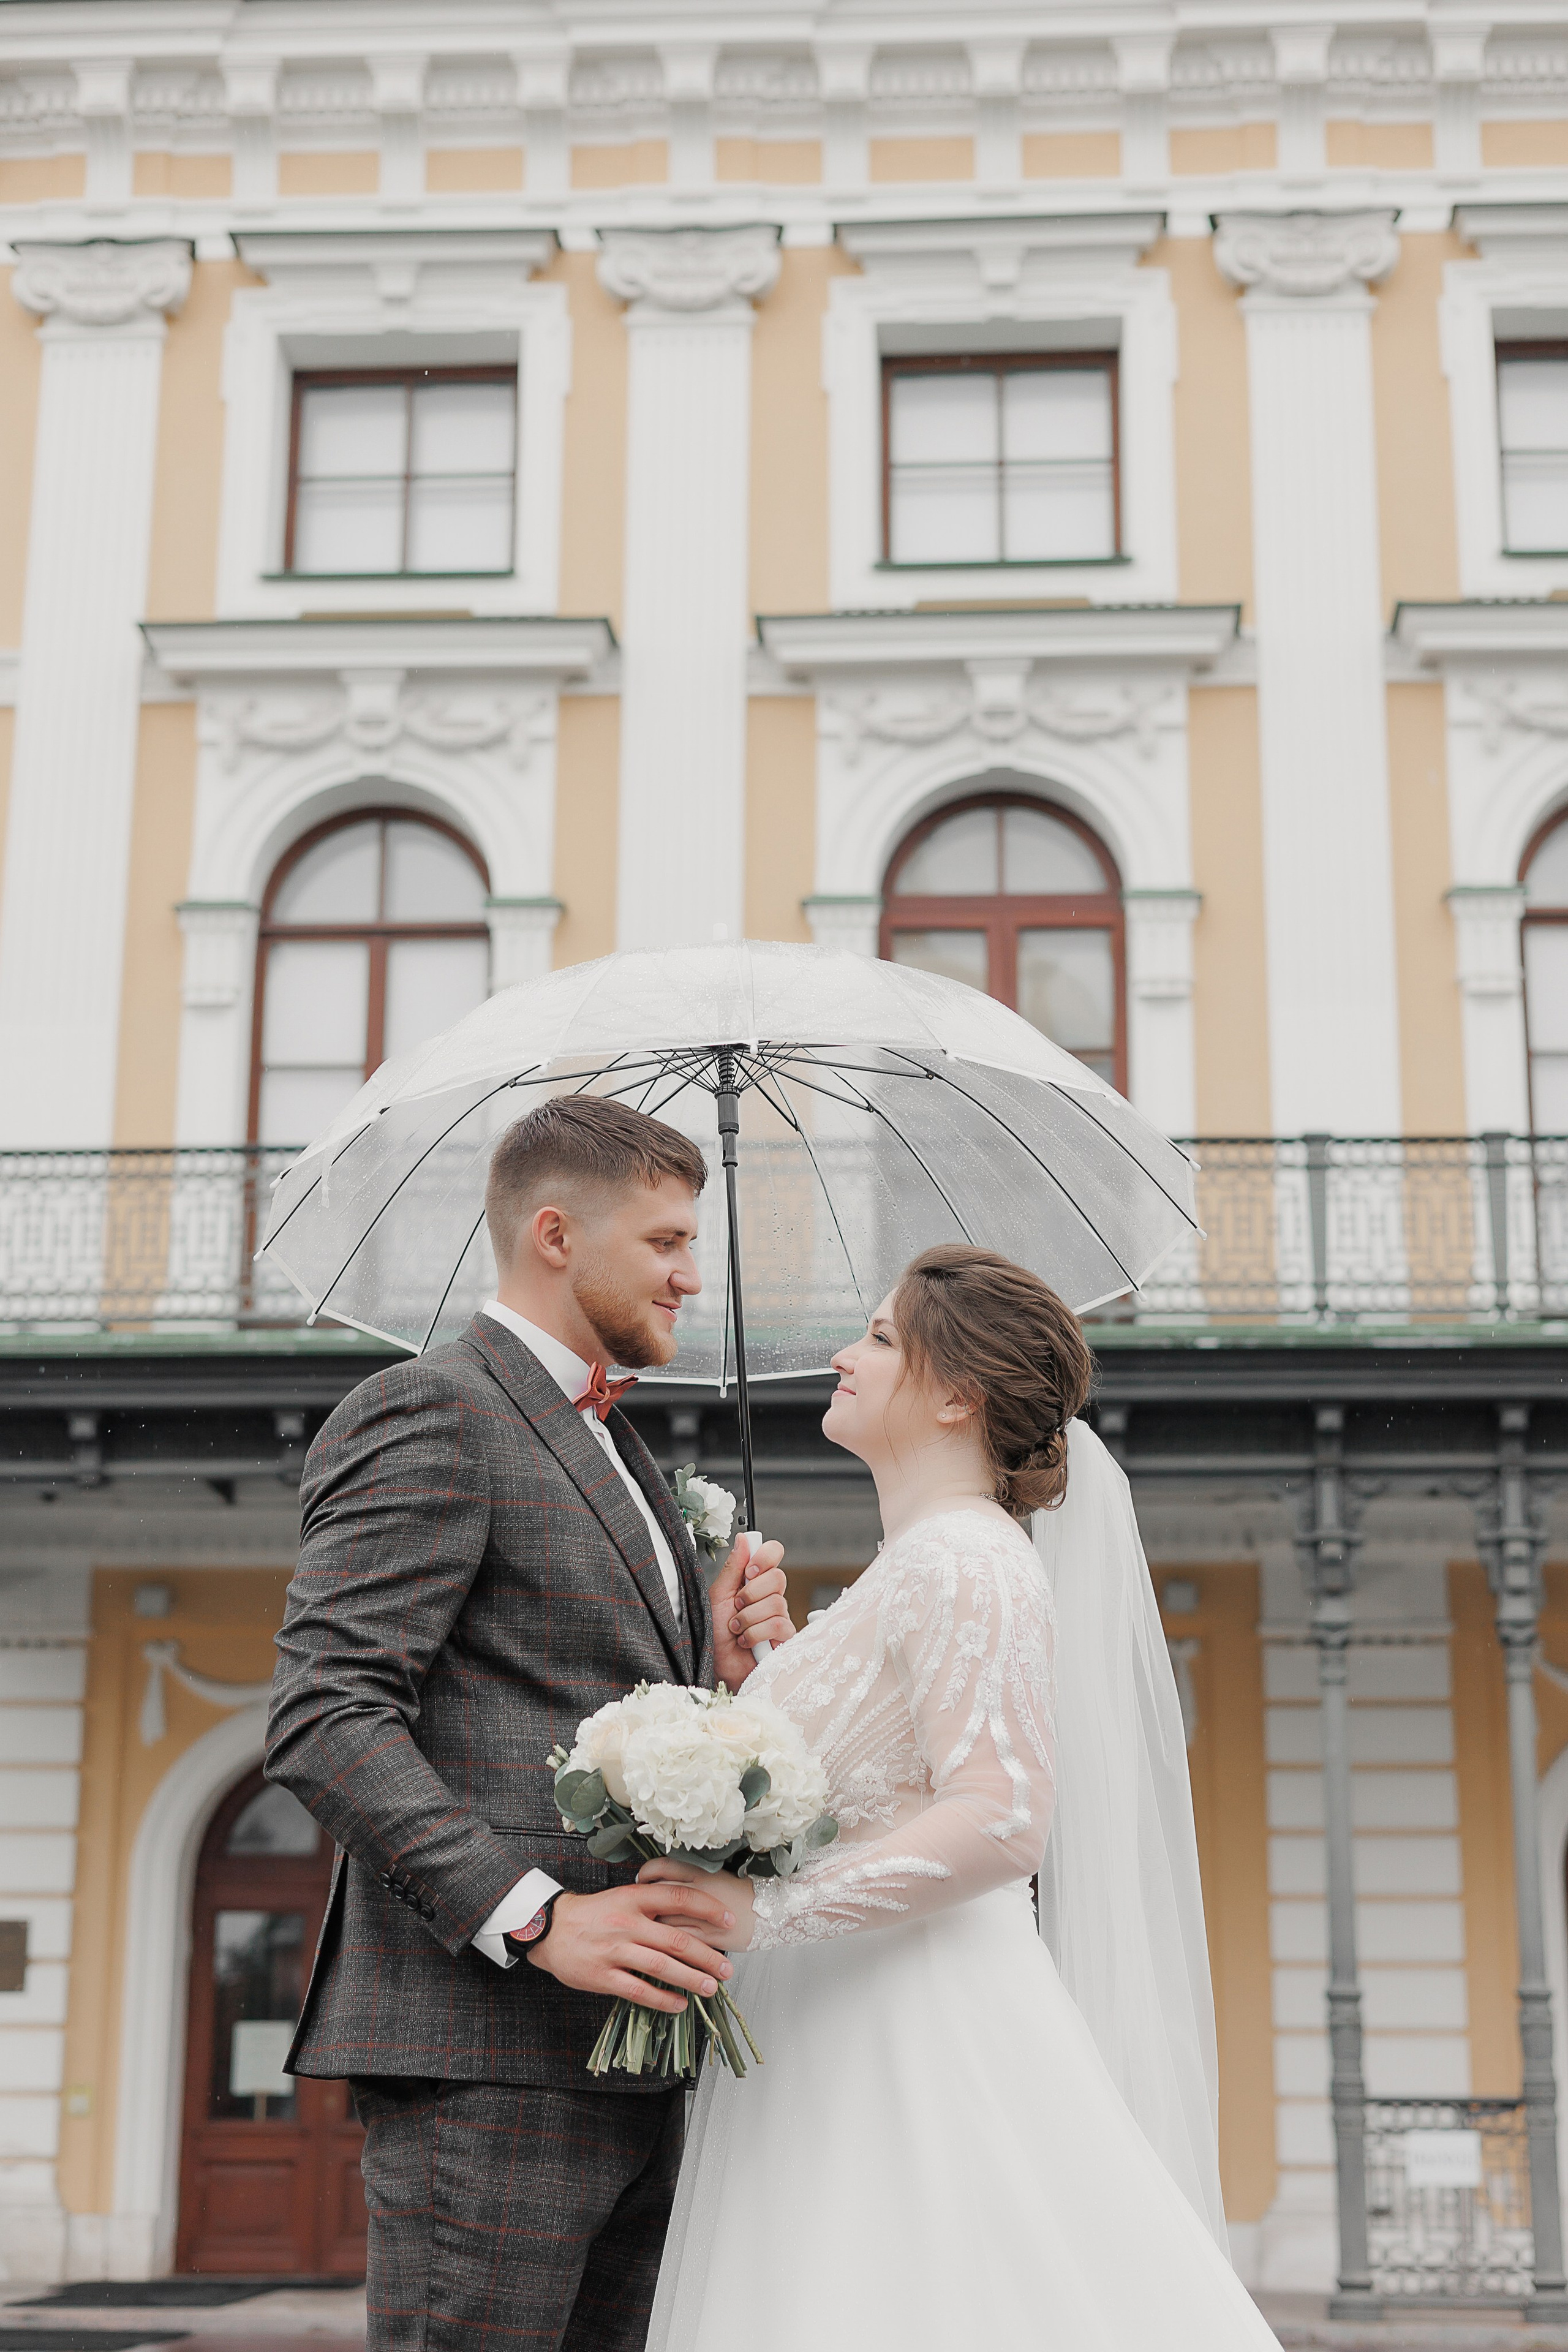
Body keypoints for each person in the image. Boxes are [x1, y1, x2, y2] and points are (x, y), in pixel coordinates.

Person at [639, 1244, 1282, 2352]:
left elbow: (1001, 1816)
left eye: (879, 1337)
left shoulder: (963, 1564)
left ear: (956, 1397)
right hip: (841, 2019)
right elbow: (891, 1764)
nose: (844, 1355)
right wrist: (769, 1673)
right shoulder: (915, 1566)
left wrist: (766, 1914)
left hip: (916, 2023)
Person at [263, 1095, 795, 2352]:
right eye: (665, 1242)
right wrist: (539, 1918)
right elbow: (324, 1712)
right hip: (487, 2059)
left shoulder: (614, 1440)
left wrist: (712, 1671)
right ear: (554, 1234)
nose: (688, 1276)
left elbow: (569, 1710)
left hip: (633, 2059)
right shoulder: (433, 1409)